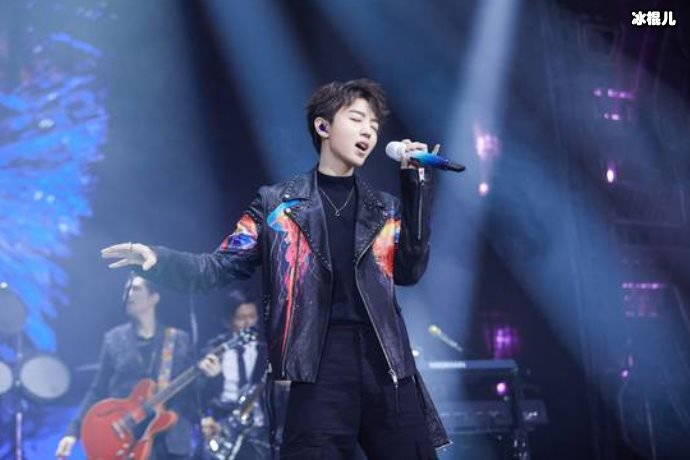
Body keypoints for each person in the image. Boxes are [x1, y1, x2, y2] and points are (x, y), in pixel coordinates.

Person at [101, 78, 449, 459]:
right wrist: (159, 260)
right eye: (357, 119)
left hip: (386, 364)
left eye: (374, 125)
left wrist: (416, 184)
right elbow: (216, 267)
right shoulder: (277, 206)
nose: (369, 130)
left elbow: (410, 271)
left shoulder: (384, 209)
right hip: (316, 365)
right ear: (323, 126)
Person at [55, 275, 221, 460]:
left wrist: (213, 378)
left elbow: (193, 394)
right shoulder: (114, 339)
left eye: (135, 289)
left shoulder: (178, 340)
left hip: (170, 444)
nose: (128, 294)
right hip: (126, 442)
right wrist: (73, 432)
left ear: (153, 298)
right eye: (126, 289)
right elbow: (97, 390)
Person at [199, 290, 271, 459]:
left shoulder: (266, 350)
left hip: (258, 430)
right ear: (228, 320)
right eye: (241, 318)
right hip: (222, 427)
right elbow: (200, 393)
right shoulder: (215, 349)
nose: (248, 323)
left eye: (252, 316)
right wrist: (210, 377)